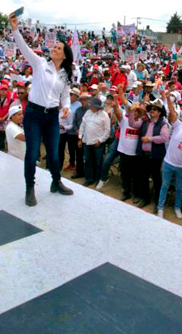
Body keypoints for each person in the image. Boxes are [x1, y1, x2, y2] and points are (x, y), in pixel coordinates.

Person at [10, 13, 75, 204]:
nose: (54, 49)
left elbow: (65, 96)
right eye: (54, 46)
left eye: (58, 48)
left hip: (52, 117)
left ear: (65, 55)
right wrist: (15, 28)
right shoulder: (39, 64)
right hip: (34, 115)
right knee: (32, 153)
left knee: (54, 154)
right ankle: (30, 188)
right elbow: (23, 47)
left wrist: (67, 107)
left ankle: (56, 182)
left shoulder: (65, 75)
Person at [157, 93, 182, 217]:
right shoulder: (178, 125)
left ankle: (177, 208)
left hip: (181, 167)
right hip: (168, 163)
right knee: (164, 186)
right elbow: (172, 112)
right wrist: (168, 99)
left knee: (179, 188)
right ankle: (160, 207)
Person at [136, 98, 170, 208]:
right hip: (144, 154)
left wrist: (149, 139)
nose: (152, 111)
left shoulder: (163, 124)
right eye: (151, 109)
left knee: (156, 180)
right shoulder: (145, 122)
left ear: (160, 112)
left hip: (155, 156)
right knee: (143, 177)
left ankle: (157, 202)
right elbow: (133, 124)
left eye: (155, 109)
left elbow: (164, 137)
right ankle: (145, 199)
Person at [78, 97, 110, 187]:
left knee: (98, 162)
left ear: (97, 107)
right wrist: (80, 138)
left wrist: (100, 140)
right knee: (87, 161)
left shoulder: (104, 115)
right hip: (87, 141)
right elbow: (82, 126)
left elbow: (107, 131)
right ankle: (89, 179)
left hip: (97, 143)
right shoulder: (88, 112)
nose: (90, 106)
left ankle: (98, 179)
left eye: (92, 105)